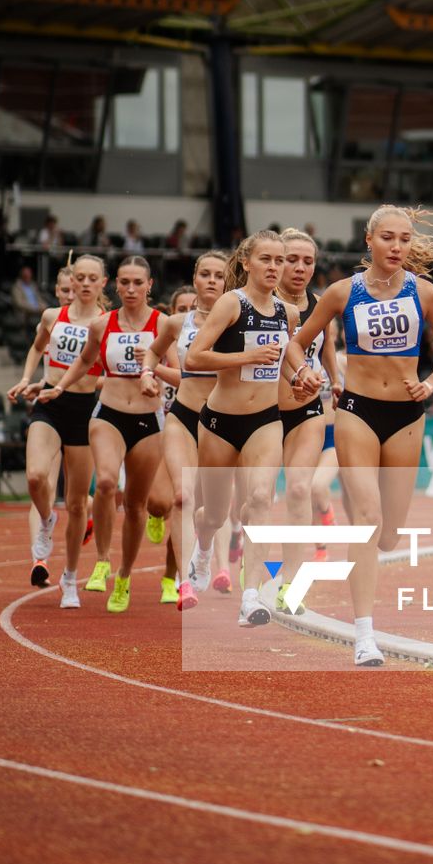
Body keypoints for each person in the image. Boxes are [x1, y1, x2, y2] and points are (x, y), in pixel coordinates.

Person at [282, 205, 433, 668]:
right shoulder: (343, 292)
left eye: (404, 238)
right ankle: (365, 635)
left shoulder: (426, 294)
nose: (396, 246)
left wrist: (430, 384)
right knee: (367, 519)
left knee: (389, 537)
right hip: (357, 410)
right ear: (369, 240)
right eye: (387, 237)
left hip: (407, 415)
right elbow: (296, 344)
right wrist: (304, 374)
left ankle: (362, 505)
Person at [38, 253, 165, 613]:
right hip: (108, 413)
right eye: (125, 282)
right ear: (116, 285)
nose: (131, 289)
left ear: (149, 286)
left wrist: (153, 371)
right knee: (107, 482)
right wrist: (59, 387)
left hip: (148, 420)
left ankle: (124, 576)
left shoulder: (163, 324)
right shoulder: (102, 324)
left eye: (138, 283)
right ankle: (103, 560)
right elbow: (84, 361)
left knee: (137, 505)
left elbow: (179, 370)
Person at [178, 230, 290, 630]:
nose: (274, 267)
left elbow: (287, 359)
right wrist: (246, 356)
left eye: (280, 260)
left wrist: (302, 377)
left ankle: (250, 597)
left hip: (265, 420)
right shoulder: (231, 303)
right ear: (246, 262)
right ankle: (203, 549)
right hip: (219, 422)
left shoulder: (286, 312)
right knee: (214, 513)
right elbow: (195, 357)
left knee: (260, 499)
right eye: (266, 259)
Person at [8, 253, 109, 605]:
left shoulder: (107, 323)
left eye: (92, 278)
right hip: (49, 404)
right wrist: (28, 379)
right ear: (70, 282)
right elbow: (37, 348)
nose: (84, 284)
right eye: (79, 278)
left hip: (84, 410)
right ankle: (47, 518)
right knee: (36, 477)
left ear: (102, 283)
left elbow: (111, 373)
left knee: (78, 504)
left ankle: (69, 579)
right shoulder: (52, 316)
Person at [140, 256, 230, 609]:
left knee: (215, 511)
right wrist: (147, 374)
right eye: (205, 274)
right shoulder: (177, 322)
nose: (212, 281)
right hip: (183, 415)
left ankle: (204, 553)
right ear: (195, 278)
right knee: (181, 496)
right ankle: (184, 582)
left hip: (221, 422)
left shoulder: (238, 321)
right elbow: (152, 352)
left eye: (219, 276)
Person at [274, 228, 343, 616]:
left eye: (307, 261)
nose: (300, 268)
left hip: (307, 408)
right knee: (255, 498)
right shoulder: (260, 303)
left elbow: (326, 344)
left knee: (299, 489)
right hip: (263, 410)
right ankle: (245, 563)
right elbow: (285, 351)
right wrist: (295, 375)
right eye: (291, 260)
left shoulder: (319, 304)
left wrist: (335, 380)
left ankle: (290, 584)